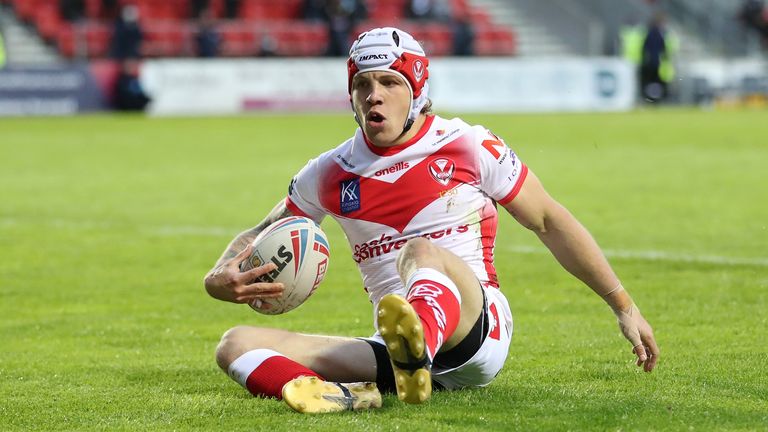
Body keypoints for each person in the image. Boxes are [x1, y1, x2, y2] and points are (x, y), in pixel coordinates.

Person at [204, 27, 660, 414]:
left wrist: (623, 306)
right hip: (396, 352)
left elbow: (549, 221)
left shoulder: (468, 145)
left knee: (420, 253)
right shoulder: (329, 171)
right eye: (363, 84)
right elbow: (260, 232)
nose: (374, 95)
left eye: (389, 82)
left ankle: (416, 345)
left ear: (416, 89)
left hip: (476, 333)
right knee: (235, 344)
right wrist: (219, 276)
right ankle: (340, 395)